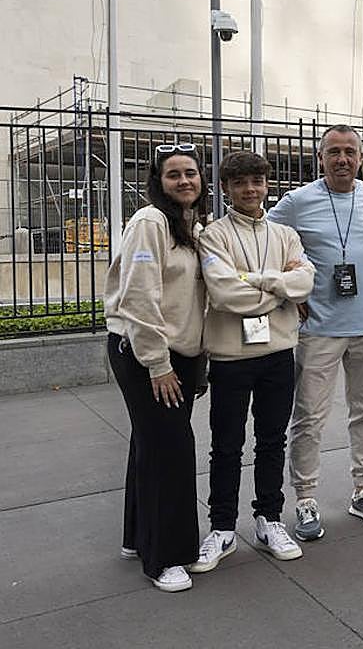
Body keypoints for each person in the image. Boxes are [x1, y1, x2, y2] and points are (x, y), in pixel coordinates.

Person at [268, 124, 363, 541]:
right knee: (309, 417)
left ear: (361, 158)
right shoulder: (297, 202)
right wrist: (291, 286)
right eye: (334, 152)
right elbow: (268, 239)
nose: (342, 159)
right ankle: (305, 498)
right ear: (319, 157)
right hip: (320, 328)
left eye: (350, 152)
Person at [190, 151, 315, 573]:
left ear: (266, 185)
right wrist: (281, 288)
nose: (249, 190)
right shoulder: (213, 235)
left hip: (278, 354)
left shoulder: (285, 234)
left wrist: (257, 280)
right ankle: (222, 527)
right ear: (225, 188)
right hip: (230, 357)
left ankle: (269, 519)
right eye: (240, 183)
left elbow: (306, 281)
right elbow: (225, 294)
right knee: (226, 446)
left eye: (256, 182)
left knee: (271, 441)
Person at [104, 143, 209, 592]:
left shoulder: (189, 225)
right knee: (171, 449)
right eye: (173, 175)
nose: (184, 181)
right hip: (148, 355)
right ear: (157, 182)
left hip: (179, 356)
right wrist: (158, 364)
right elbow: (139, 297)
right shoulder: (151, 222)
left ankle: (137, 537)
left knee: (151, 443)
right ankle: (163, 556)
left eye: (190, 173)